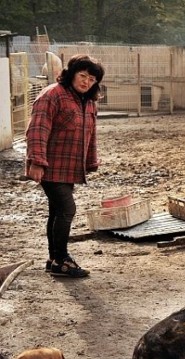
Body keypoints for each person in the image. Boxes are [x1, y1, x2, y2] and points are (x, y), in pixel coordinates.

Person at [26, 54, 105, 278]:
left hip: (69, 168)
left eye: (91, 79)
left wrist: (90, 161)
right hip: (51, 166)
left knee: (57, 211)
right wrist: (37, 162)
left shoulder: (88, 102)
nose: (86, 82)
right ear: (71, 74)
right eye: (82, 76)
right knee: (67, 209)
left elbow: (91, 135)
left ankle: (54, 260)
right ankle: (62, 259)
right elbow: (37, 130)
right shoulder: (52, 95)